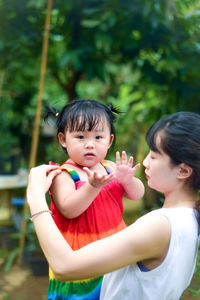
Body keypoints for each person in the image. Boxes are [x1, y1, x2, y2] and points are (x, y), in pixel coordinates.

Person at [27, 111, 200, 300]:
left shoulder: (159, 225)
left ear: (183, 170)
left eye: (154, 155)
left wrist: (36, 198)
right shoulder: (190, 219)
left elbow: (64, 266)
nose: (146, 162)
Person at [43, 99, 145, 300]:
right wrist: (92, 187)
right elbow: (69, 209)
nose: (90, 144)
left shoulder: (110, 167)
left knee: (114, 292)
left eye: (98, 137)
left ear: (109, 140)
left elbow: (137, 194)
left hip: (115, 249)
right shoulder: (64, 174)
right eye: (80, 137)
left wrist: (129, 181)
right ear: (63, 139)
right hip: (80, 255)